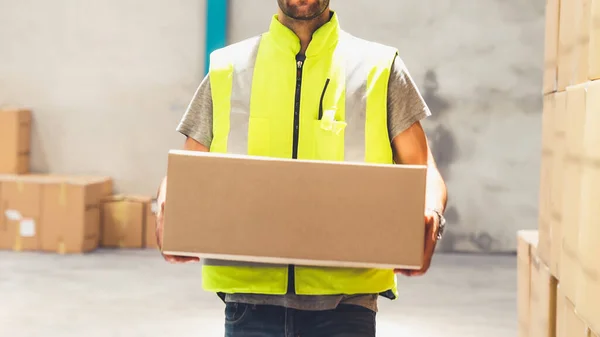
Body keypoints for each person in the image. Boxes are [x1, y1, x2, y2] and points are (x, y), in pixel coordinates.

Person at [155, 0, 448, 336]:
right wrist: (167, 201)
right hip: (249, 303)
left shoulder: (380, 68)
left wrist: (431, 212)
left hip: (347, 303)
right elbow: (187, 169)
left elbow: (425, 169)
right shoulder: (227, 69)